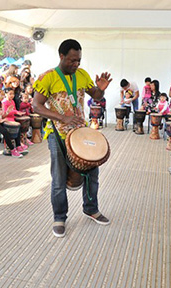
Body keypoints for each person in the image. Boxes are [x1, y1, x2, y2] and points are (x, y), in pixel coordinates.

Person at [32, 39, 112, 238]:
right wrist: (62, 117)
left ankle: (90, 208)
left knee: (92, 173)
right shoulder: (47, 77)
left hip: (80, 133)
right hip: (57, 134)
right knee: (59, 179)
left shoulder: (82, 75)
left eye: (78, 60)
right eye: (72, 60)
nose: (76, 64)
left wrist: (101, 89)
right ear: (61, 56)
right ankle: (59, 217)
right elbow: (36, 106)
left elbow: (97, 96)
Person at [0, 89, 24, 157]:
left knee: (17, 127)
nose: (3, 96)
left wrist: (7, 112)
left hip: (0, 121)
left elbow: (2, 116)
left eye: (3, 95)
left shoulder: (1, 104)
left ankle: (18, 146)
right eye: (1, 95)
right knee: (5, 132)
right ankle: (12, 150)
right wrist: (0, 121)